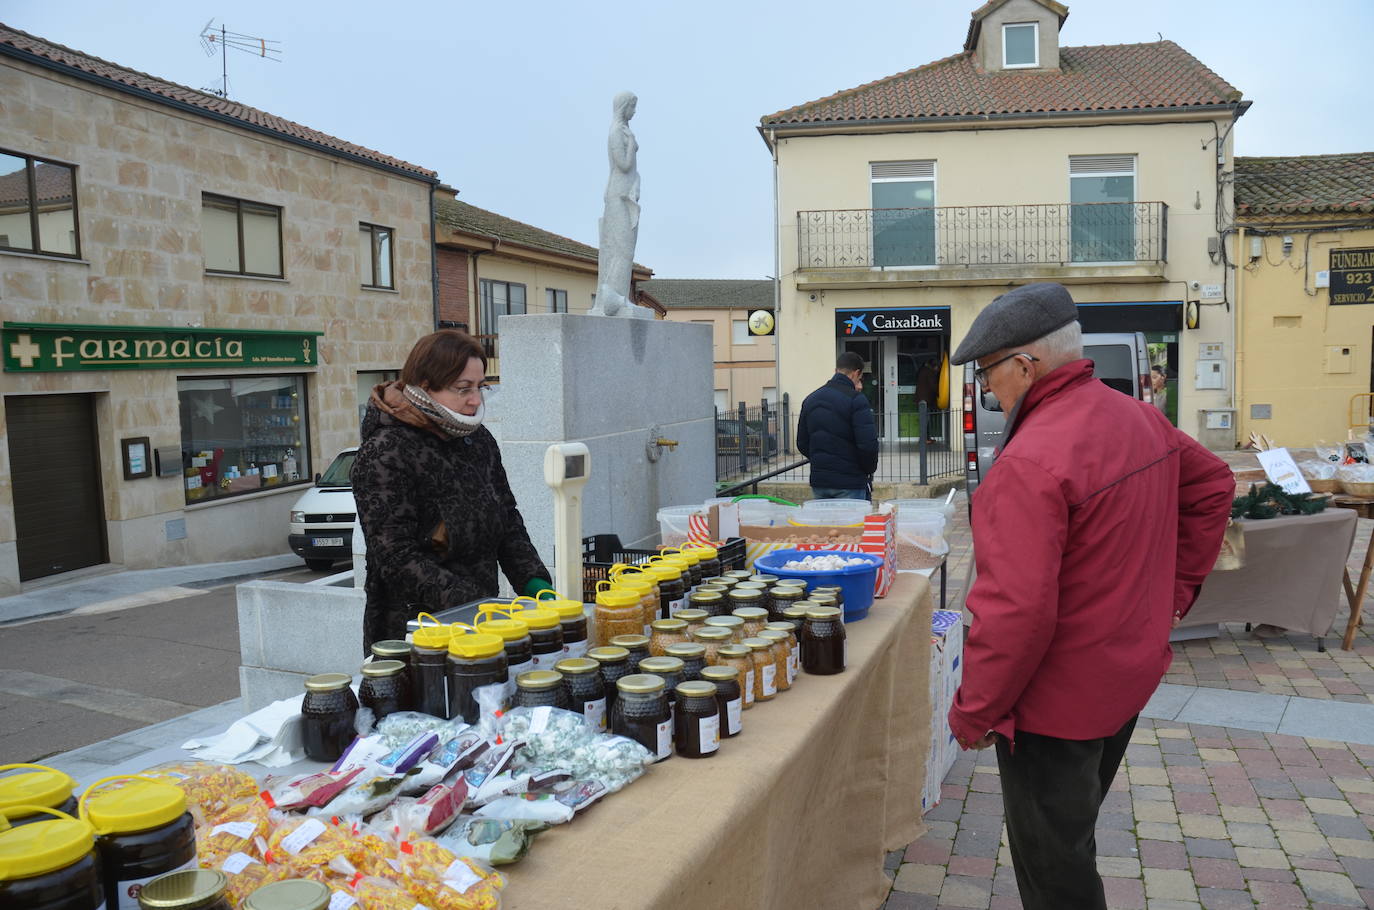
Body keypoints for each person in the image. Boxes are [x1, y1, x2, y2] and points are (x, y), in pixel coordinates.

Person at [946, 283, 1233, 910]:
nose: (988, 389)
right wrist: (1173, 596)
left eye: (989, 373)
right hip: (1122, 679)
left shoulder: (1029, 461)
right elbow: (1214, 483)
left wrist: (973, 711)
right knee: (1072, 832)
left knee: (1056, 870)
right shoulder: (1137, 415)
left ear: (1027, 363)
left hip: (1055, 707)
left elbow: (1013, 612)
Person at [352, 330, 552, 651]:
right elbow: (395, 557)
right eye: (463, 389)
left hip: (479, 623)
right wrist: (473, 604)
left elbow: (507, 520)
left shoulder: (478, 440)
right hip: (416, 633)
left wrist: (534, 582)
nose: (476, 399)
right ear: (425, 387)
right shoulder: (385, 452)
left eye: (479, 387)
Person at [796, 351, 879, 500]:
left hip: (820, 482)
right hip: (850, 482)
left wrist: (822, 461)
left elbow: (802, 443)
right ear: (856, 373)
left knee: (825, 524)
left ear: (836, 370)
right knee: (852, 524)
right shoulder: (856, 400)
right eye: (860, 378)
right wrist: (867, 470)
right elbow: (868, 445)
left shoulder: (811, 399)